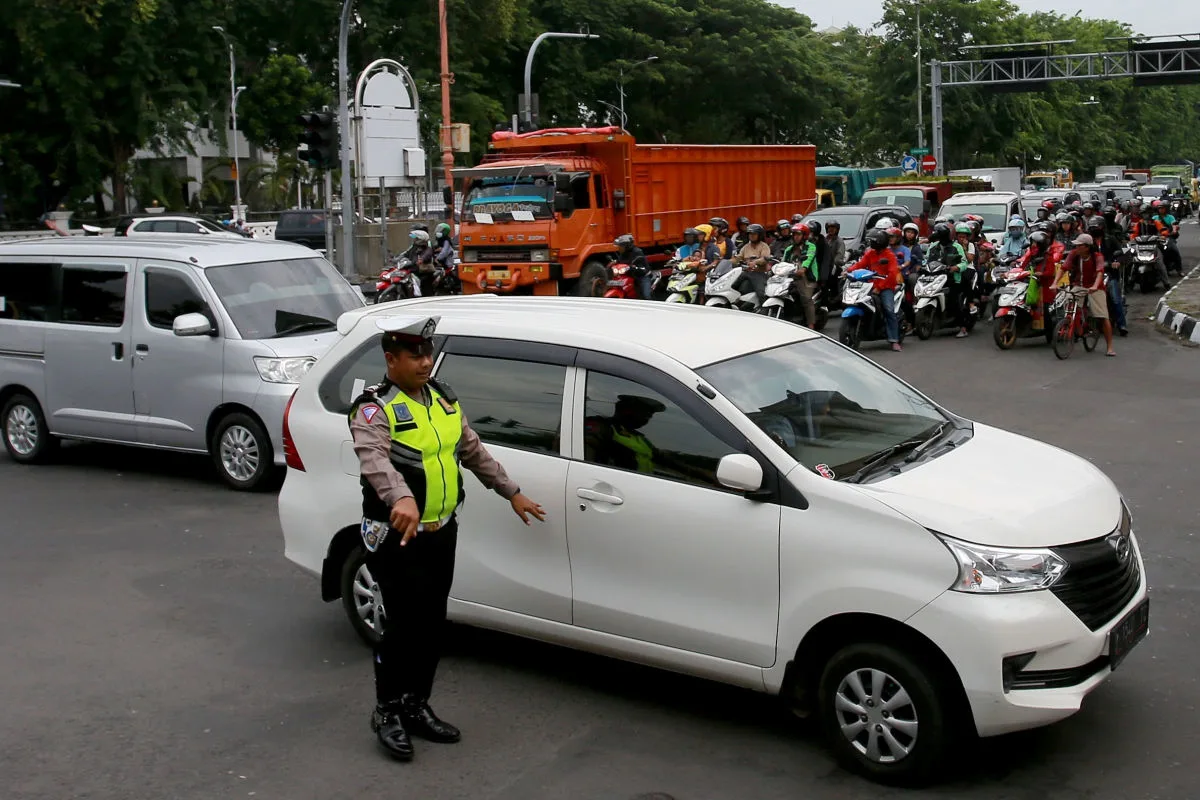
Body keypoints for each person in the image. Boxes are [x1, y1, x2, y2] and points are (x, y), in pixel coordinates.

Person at [349, 315, 546, 761]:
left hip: (441, 531)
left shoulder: (443, 401)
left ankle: (417, 704)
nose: (424, 362)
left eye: (428, 353)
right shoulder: (373, 408)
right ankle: (388, 712)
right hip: (396, 534)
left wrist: (511, 492)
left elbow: (472, 450)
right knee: (402, 624)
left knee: (432, 622)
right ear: (390, 359)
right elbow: (374, 459)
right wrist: (400, 497)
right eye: (415, 355)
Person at [1058, 234, 1115, 356]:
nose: (1076, 247)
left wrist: (1094, 286)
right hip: (1079, 285)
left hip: (1096, 287)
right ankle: (1076, 327)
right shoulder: (1074, 254)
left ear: (1087, 247)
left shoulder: (1097, 257)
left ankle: (1110, 347)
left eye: (1079, 245)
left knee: (1103, 316)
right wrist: (1054, 283)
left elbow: (1100, 272)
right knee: (1068, 304)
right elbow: (1063, 268)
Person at [849, 228, 902, 351]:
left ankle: (894, 339)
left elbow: (892, 274)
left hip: (885, 287)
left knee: (889, 310)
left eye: (873, 241)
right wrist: (848, 271)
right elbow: (860, 264)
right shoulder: (870, 253)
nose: (871, 243)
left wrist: (880, 287)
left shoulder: (890, 256)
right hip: (869, 285)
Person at [927, 223, 972, 338]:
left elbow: (964, 263)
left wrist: (955, 268)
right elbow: (925, 261)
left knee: (954, 300)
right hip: (934, 278)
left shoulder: (956, 247)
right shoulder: (933, 247)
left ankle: (963, 327)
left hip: (952, 279)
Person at [1092, 216, 1128, 336]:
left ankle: (1122, 324)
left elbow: (1122, 254)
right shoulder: (1088, 242)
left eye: (1097, 227)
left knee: (1115, 298)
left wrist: (1117, 261)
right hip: (1092, 275)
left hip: (1109, 274)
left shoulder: (1110, 239)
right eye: (1092, 227)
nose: (1094, 230)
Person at [1017, 229, 1059, 330]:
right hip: (1030, 283)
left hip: (1045, 287)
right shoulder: (1031, 254)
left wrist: (1041, 274)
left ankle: (1049, 330)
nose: (1033, 245)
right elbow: (1023, 266)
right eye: (1033, 242)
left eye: (1035, 243)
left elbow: (1050, 272)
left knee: (1046, 310)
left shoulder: (1048, 257)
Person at [782, 224, 819, 328]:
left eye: (798, 234)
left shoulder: (811, 246)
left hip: (807, 277)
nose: (795, 237)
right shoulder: (789, 249)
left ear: (804, 235)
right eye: (794, 234)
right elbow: (783, 262)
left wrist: (803, 269)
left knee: (806, 299)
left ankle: (811, 325)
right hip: (790, 276)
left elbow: (809, 258)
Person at [732, 223, 772, 304]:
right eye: (750, 234)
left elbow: (764, 259)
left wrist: (755, 262)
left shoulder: (764, 246)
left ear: (759, 235)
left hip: (759, 273)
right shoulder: (746, 246)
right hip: (746, 272)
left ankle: (764, 309)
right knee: (732, 286)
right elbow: (739, 257)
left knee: (761, 293)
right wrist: (727, 261)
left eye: (754, 234)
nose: (751, 236)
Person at [614, 234, 651, 299]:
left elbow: (643, 269)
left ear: (627, 246)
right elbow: (619, 262)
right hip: (629, 275)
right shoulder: (623, 254)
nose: (619, 248)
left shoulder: (637, 252)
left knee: (646, 296)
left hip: (641, 276)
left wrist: (633, 267)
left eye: (621, 246)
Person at [823, 220, 846, 294]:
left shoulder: (839, 241)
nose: (831, 229)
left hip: (834, 267)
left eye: (833, 228)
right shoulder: (825, 239)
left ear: (837, 229)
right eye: (829, 228)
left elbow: (839, 256)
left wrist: (833, 263)